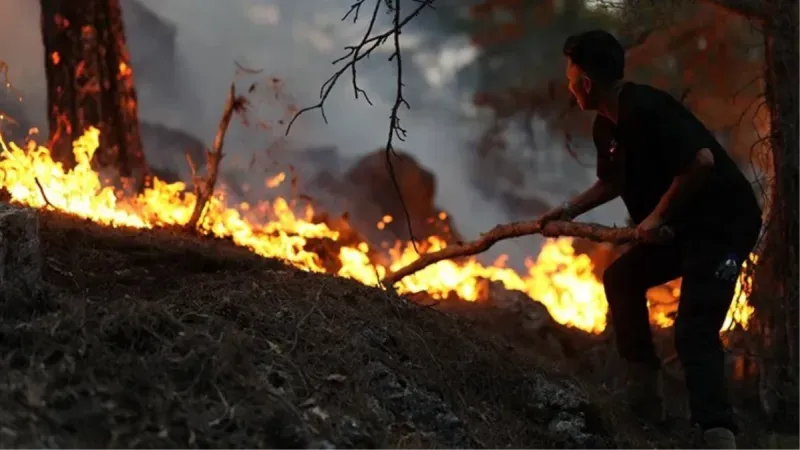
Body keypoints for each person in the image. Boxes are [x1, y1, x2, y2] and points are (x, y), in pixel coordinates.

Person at [539, 30, 762, 450]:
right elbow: (610, 182)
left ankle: (718, 433)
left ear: (586, 82)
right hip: (679, 227)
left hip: (722, 227)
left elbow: (701, 161)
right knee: (621, 278)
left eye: (571, 79)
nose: (569, 87)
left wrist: (656, 216)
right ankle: (644, 402)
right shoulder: (606, 127)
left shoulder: (648, 108)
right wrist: (567, 211)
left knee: (695, 329)